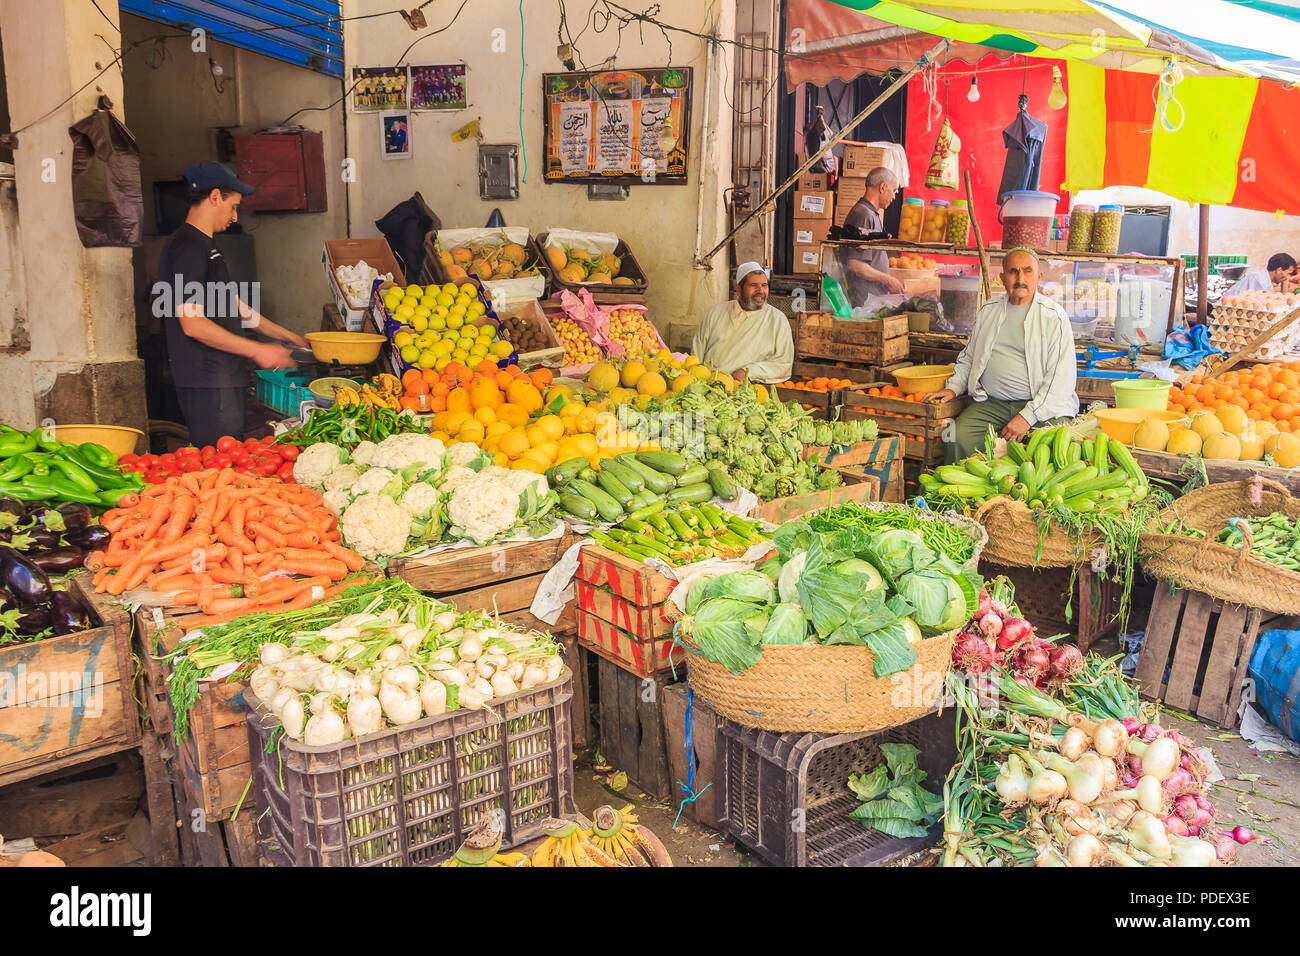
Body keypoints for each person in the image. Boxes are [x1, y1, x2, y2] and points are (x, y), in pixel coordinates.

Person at [157, 162, 308, 447]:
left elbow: (237, 307)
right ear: (215, 197)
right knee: (219, 466)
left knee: (232, 458)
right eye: (233, 206)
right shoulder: (186, 248)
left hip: (223, 379)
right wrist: (258, 350)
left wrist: (293, 339)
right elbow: (193, 324)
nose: (235, 217)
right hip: (207, 382)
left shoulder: (206, 246)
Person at [927, 248, 1078, 462]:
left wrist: (1027, 416)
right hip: (992, 403)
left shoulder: (1054, 317)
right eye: (1013, 272)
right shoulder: (989, 310)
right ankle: (960, 493)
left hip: (1041, 406)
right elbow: (970, 357)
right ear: (1002, 277)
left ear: (1039, 277)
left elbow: (1060, 380)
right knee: (955, 437)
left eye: (1027, 272)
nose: (1020, 279)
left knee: (1044, 449)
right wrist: (954, 386)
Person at [691, 262, 794, 384]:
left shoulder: (777, 320)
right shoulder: (716, 312)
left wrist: (749, 372)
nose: (760, 291)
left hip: (744, 392)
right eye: (753, 285)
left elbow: (784, 365)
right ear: (739, 289)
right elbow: (697, 353)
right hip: (705, 386)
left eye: (764, 285)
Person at [839, 167, 905, 302]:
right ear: (882, 187)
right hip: (864, 301)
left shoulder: (869, 213)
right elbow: (855, 264)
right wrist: (888, 280)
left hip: (872, 299)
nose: (893, 197)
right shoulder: (864, 214)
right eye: (893, 191)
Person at [1225, 252, 1297, 295]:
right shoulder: (1259, 280)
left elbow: (1281, 300)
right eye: (1288, 273)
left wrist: (1284, 281)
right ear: (1279, 270)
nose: (1288, 277)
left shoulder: (1266, 278)